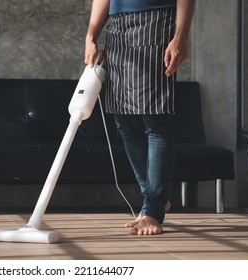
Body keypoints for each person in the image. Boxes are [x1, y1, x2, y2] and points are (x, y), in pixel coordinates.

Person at [85, 0, 195, 235]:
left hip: (157, 22)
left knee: (155, 120)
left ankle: (153, 211)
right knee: (123, 121)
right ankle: (155, 197)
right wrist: (91, 36)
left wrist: (180, 37)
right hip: (118, 29)